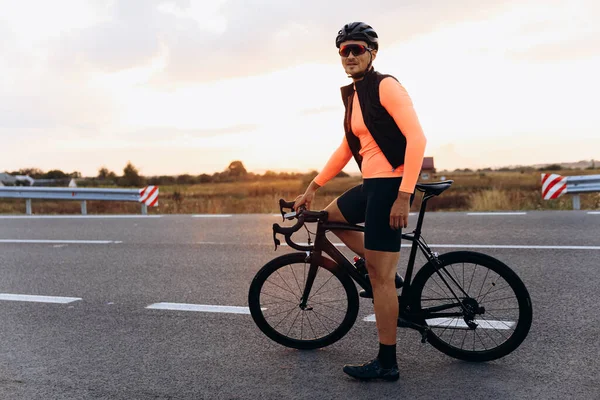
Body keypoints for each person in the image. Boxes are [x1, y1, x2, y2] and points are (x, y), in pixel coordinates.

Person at [293, 22, 427, 381]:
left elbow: (417, 140)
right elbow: (346, 147)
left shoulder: (386, 86)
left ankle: (387, 363)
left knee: (378, 279)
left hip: (391, 186)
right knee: (330, 218)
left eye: (357, 49)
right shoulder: (354, 95)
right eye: (344, 50)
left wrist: (403, 196)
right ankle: (382, 264)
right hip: (372, 184)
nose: (350, 55)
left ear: (372, 52)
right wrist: (313, 187)